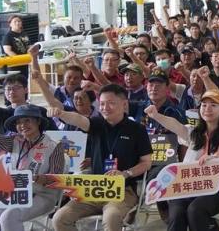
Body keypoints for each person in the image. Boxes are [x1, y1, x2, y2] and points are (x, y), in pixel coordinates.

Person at [51, 84, 153, 231]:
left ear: (124, 104)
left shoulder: (137, 129)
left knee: (111, 217)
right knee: (60, 218)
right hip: (94, 189)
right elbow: (79, 120)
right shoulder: (96, 124)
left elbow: (146, 162)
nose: (105, 108)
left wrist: (125, 174)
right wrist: (61, 114)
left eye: (111, 103)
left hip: (123, 191)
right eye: (102, 104)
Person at [143, 89, 219, 231]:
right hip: (188, 184)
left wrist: (216, 163)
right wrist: (156, 115)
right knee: (177, 213)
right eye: (204, 105)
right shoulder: (194, 133)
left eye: (213, 105)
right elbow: (175, 125)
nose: (207, 109)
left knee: (195, 210)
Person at [0, 104, 65, 231]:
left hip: (43, 195)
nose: (23, 125)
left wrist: (41, 179)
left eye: (27, 120)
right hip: (16, 193)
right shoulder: (14, 141)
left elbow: (56, 179)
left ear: (38, 122)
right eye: (19, 122)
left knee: (8, 217)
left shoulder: (54, 146)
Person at [1, 14, 29, 79]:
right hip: (14, 66)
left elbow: (28, 46)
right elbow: (7, 50)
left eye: (19, 21)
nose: (17, 23)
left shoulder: (24, 34)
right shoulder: (8, 36)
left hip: (25, 64)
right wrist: (19, 59)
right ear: (10, 24)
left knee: (24, 82)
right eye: (15, 21)